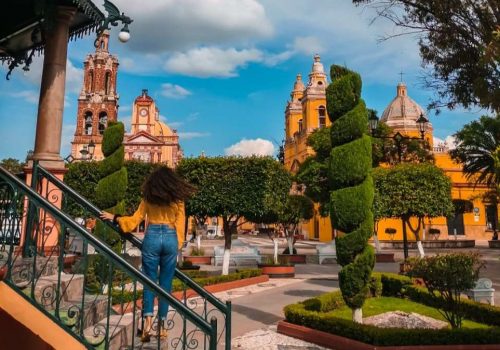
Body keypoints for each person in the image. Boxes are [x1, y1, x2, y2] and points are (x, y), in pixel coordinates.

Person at [100, 166, 195, 342]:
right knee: (165, 285)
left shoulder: (148, 197)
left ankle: (147, 327)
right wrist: (178, 244)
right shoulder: (178, 200)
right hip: (170, 237)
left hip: (151, 237)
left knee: (149, 282)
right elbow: (181, 225)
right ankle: (163, 327)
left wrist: (115, 218)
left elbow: (135, 220)